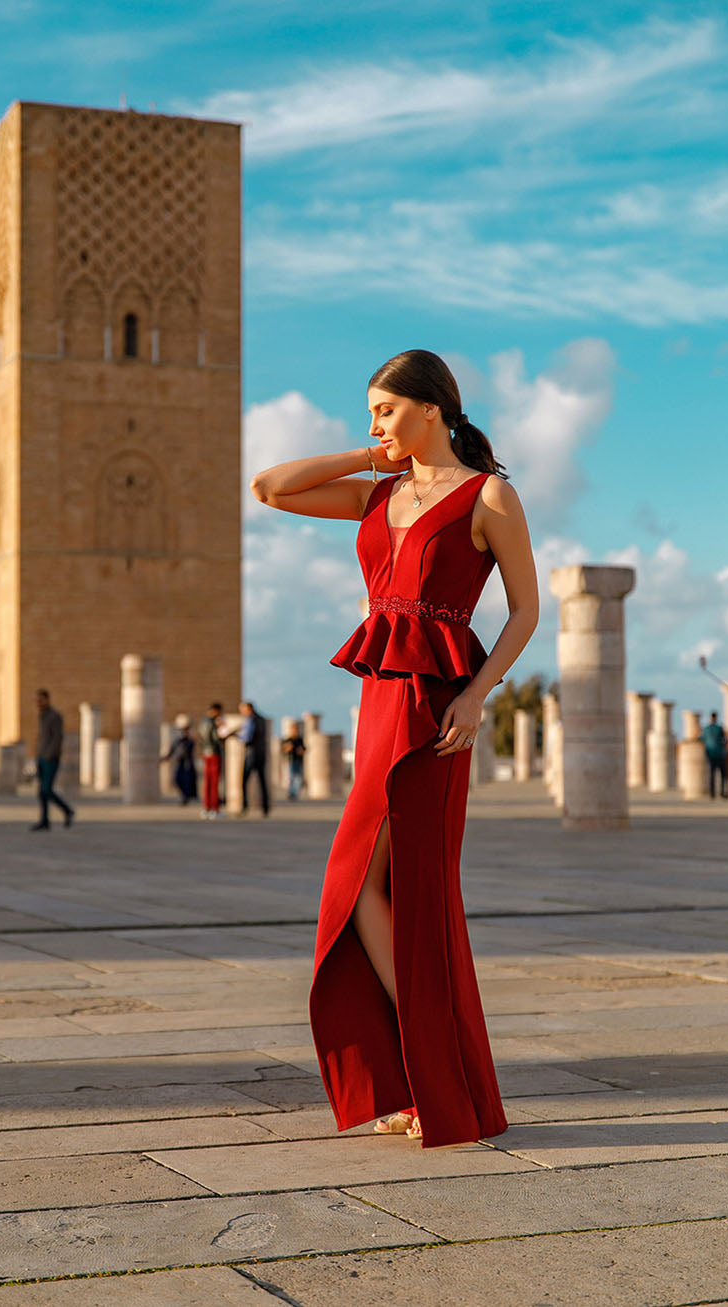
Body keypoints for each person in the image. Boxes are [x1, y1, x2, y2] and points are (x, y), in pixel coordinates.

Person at [250, 349, 538, 1148]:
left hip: (438, 709)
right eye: (373, 413)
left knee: (414, 889)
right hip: (381, 701)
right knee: (357, 884)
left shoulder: (489, 495)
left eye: (384, 409)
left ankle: (437, 1087)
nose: (375, 423)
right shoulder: (379, 496)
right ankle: (421, 1078)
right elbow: (269, 487)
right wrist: (365, 455)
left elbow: (524, 611)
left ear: (431, 408)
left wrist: (478, 697)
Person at [31, 689, 74, 831]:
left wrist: (49, 755)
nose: (38, 703)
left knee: (46, 789)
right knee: (42, 792)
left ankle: (67, 810)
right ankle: (45, 820)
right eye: (36, 700)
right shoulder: (41, 716)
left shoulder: (55, 716)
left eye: (40, 700)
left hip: (51, 759)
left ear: (47, 699)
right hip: (41, 758)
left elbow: (57, 738)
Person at [238, 700, 270, 816]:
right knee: (262, 781)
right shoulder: (262, 719)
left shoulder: (250, 720)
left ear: (248, 709)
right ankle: (265, 808)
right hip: (261, 753)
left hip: (251, 754)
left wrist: (236, 736)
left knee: (244, 781)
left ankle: (244, 806)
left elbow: (246, 738)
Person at [162, 716, 198, 805]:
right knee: (177, 780)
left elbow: (187, 750)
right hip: (180, 763)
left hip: (187, 764)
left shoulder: (190, 741)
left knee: (187, 782)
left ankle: (185, 797)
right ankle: (184, 796)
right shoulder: (178, 740)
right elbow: (172, 749)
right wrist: (166, 757)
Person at [199, 702, 224, 819]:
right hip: (214, 754)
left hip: (205, 754)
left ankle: (206, 808)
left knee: (207, 783)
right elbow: (216, 738)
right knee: (214, 783)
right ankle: (215, 809)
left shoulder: (203, 722)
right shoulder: (212, 723)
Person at [702, 711, 728, 798]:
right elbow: (724, 740)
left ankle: (712, 793)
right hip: (720, 754)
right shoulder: (719, 728)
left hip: (710, 754)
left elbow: (701, 739)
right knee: (723, 774)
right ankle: (721, 791)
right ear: (716, 718)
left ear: (710, 718)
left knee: (712, 774)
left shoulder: (706, 729)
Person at [282, 719, 305, 799]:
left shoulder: (300, 739)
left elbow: (304, 749)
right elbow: (283, 750)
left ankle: (294, 793)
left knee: (298, 778)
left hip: (299, 761)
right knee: (291, 777)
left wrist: (301, 750)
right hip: (291, 760)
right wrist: (288, 748)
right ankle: (291, 793)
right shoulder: (287, 740)